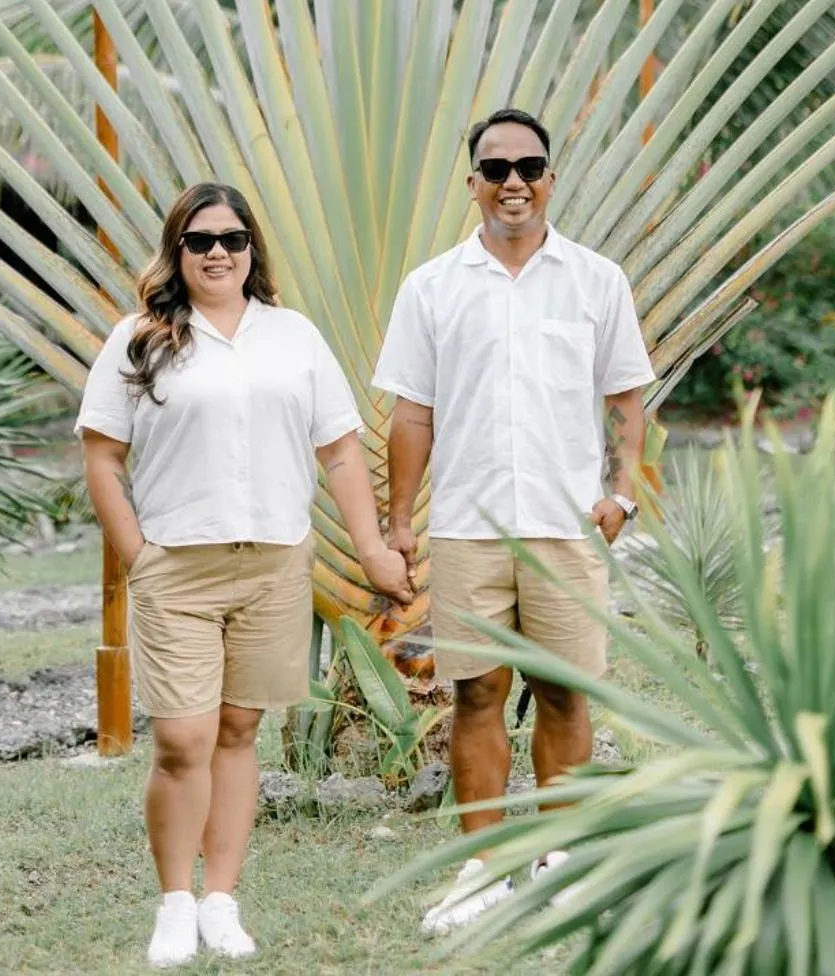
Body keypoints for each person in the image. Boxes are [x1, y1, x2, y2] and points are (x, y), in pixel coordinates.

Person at [77, 181, 412, 968]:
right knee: (182, 740)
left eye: (232, 238)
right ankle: (174, 903)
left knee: (237, 731)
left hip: (272, 564)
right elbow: (100, 454)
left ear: (252, 249)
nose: (217, 252)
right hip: (178, 570)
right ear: (177, 251)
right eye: (200, 241)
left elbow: (337, 449)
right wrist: (138, 556)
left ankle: (221, 899)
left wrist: (369, 551)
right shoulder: (139, 338)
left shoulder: (291, 336)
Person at [372, 107, 654, 937]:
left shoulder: (595, 279)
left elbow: (627, 399)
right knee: (477, 693)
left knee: (565, 690)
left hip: (567, 524)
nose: (514, 183)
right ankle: (483, 869)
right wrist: (397, 522)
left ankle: (562, 859)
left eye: (529, 166)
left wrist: (622, 490)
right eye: (496, 169)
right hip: (468, 522)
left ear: (550, 179)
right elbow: (411, 415)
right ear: (473, 185)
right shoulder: (432, 287)